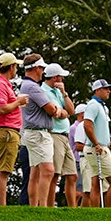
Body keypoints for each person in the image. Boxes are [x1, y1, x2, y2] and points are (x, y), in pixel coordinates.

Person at [20, 54, 65, 207]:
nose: (43, 72)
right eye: (42, 69)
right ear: (37, 68)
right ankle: (43, 207)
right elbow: (51, 109)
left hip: (32, 133)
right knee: (47, 171)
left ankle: (34, 207)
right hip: (39, 133)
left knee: (35, 173)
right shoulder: (33, 87)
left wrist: (56, 110)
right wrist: (58, 110)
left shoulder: (25, 85)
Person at [0, 52, 28, 205]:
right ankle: (1, 207)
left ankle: (1, 206)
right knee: (3, 171)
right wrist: (18, 102)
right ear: (11, 67)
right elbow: (1, 108)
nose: (16, 70)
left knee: (4, 170)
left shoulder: (2, 84)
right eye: (16, 66)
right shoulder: (0, 85)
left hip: (7, 130)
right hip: (5, 131)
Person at [82, 79, 111, 208]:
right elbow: (87, 126)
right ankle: (109, 213)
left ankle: (97, 212)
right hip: (96, 148)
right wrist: (98, 144)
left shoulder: (102, 106)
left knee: (96, 182)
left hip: (98, 147)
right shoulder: (93, 105)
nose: (109, 91)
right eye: (106, 89)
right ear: (98, 90)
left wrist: (104, 142)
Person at [42, 63, 77, 207]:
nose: (62, 79)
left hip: (64, 136)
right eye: (61, 76)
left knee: (72, 175)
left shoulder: (58, 91)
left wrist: (64, 93)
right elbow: (57, 114)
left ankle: (72, 208)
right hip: (54, 134)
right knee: (54, 175)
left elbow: (71, 111)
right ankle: (49, 208)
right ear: (55, 77)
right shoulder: (43, 91)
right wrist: (63, 113)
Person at [68, 104, 88, 207]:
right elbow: (80, 144)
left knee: (85, 190)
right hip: (77, 160)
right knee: (78, 191)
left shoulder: (81, 127)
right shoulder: (75, 128)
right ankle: (73, 209)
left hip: (82, 160)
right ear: (82, 114)